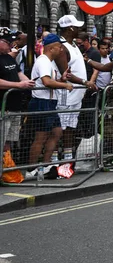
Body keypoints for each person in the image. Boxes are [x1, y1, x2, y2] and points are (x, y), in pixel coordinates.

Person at [28, 34, 73, 168]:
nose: (61, 50)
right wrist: (65, 85)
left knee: (57, 132)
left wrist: (61, 80)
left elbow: (49, 81)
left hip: (50, 102)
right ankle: (32, 168)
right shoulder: (43, 61)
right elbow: (46, 82)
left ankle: (46, 164)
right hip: (42, 102)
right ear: (52, 48)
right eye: (59, 47)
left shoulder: (48, 63)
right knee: (41, 137)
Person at [59, 15, 95, 160]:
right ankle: (55, 160)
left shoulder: (74, 45)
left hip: (76, 95)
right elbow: (65, 73)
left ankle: (68, 157)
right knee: (60, 128)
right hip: (66, 95)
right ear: (70, 28)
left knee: (71, 126)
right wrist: (85, 82)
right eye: (77, 27)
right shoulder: (62, 47)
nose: (80, 29)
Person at [0, 33, 35, 156]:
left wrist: (28, 81)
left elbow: (19, 73)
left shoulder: (9, 58)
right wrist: (18, 85)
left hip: (15, 107)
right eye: (7, 42)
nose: (11, 44)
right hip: (4, 108)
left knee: (9, 141)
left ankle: (6, 166)